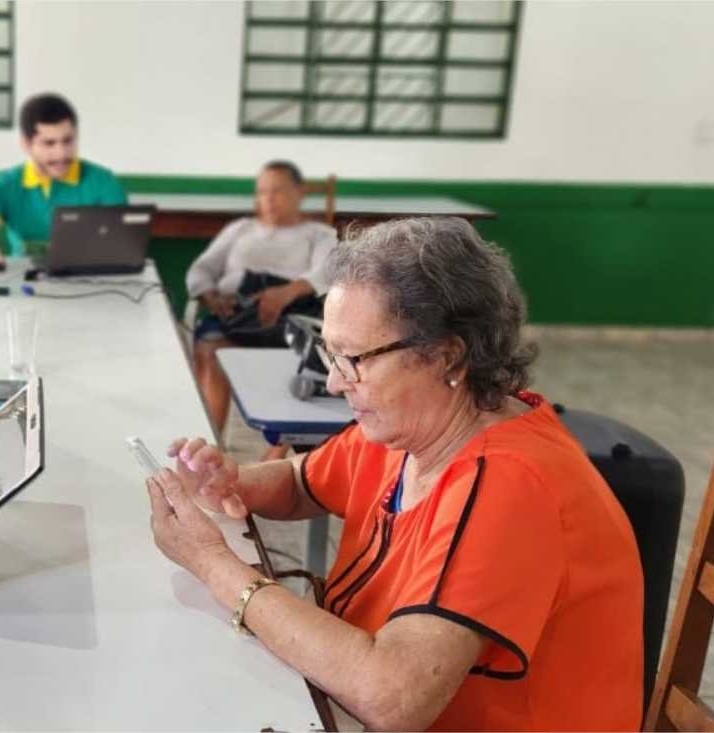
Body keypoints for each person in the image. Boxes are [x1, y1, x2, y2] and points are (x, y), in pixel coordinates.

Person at [145, 217, 644, 731]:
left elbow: (392, 698)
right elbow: (301, 481)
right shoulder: (412, 425)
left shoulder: (509, 484)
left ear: (448, 356)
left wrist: (213, 564)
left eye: (354, 359)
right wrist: (232, 482)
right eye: (329, 352)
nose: (336, 383)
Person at [186, 160, 338, 435]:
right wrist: (211, 297)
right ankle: (209, 443)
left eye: (277, 190)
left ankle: (276, 454)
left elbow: (326, 273)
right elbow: (201, 270)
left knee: (309, 360)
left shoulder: (319, 234)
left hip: (290, 322)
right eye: (262, 191)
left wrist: (285, 293)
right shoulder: (241, 229)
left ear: (299, 192)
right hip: (235, 318)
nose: (268, 199)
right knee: (210, 352)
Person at [0, 93, 127, 270]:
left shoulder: (105, 182)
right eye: (49, 143)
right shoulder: (5, 185)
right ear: (26, 144)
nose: (61, 153)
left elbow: (122, 242)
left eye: (68, 141)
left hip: (94, 284)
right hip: (25, 285)